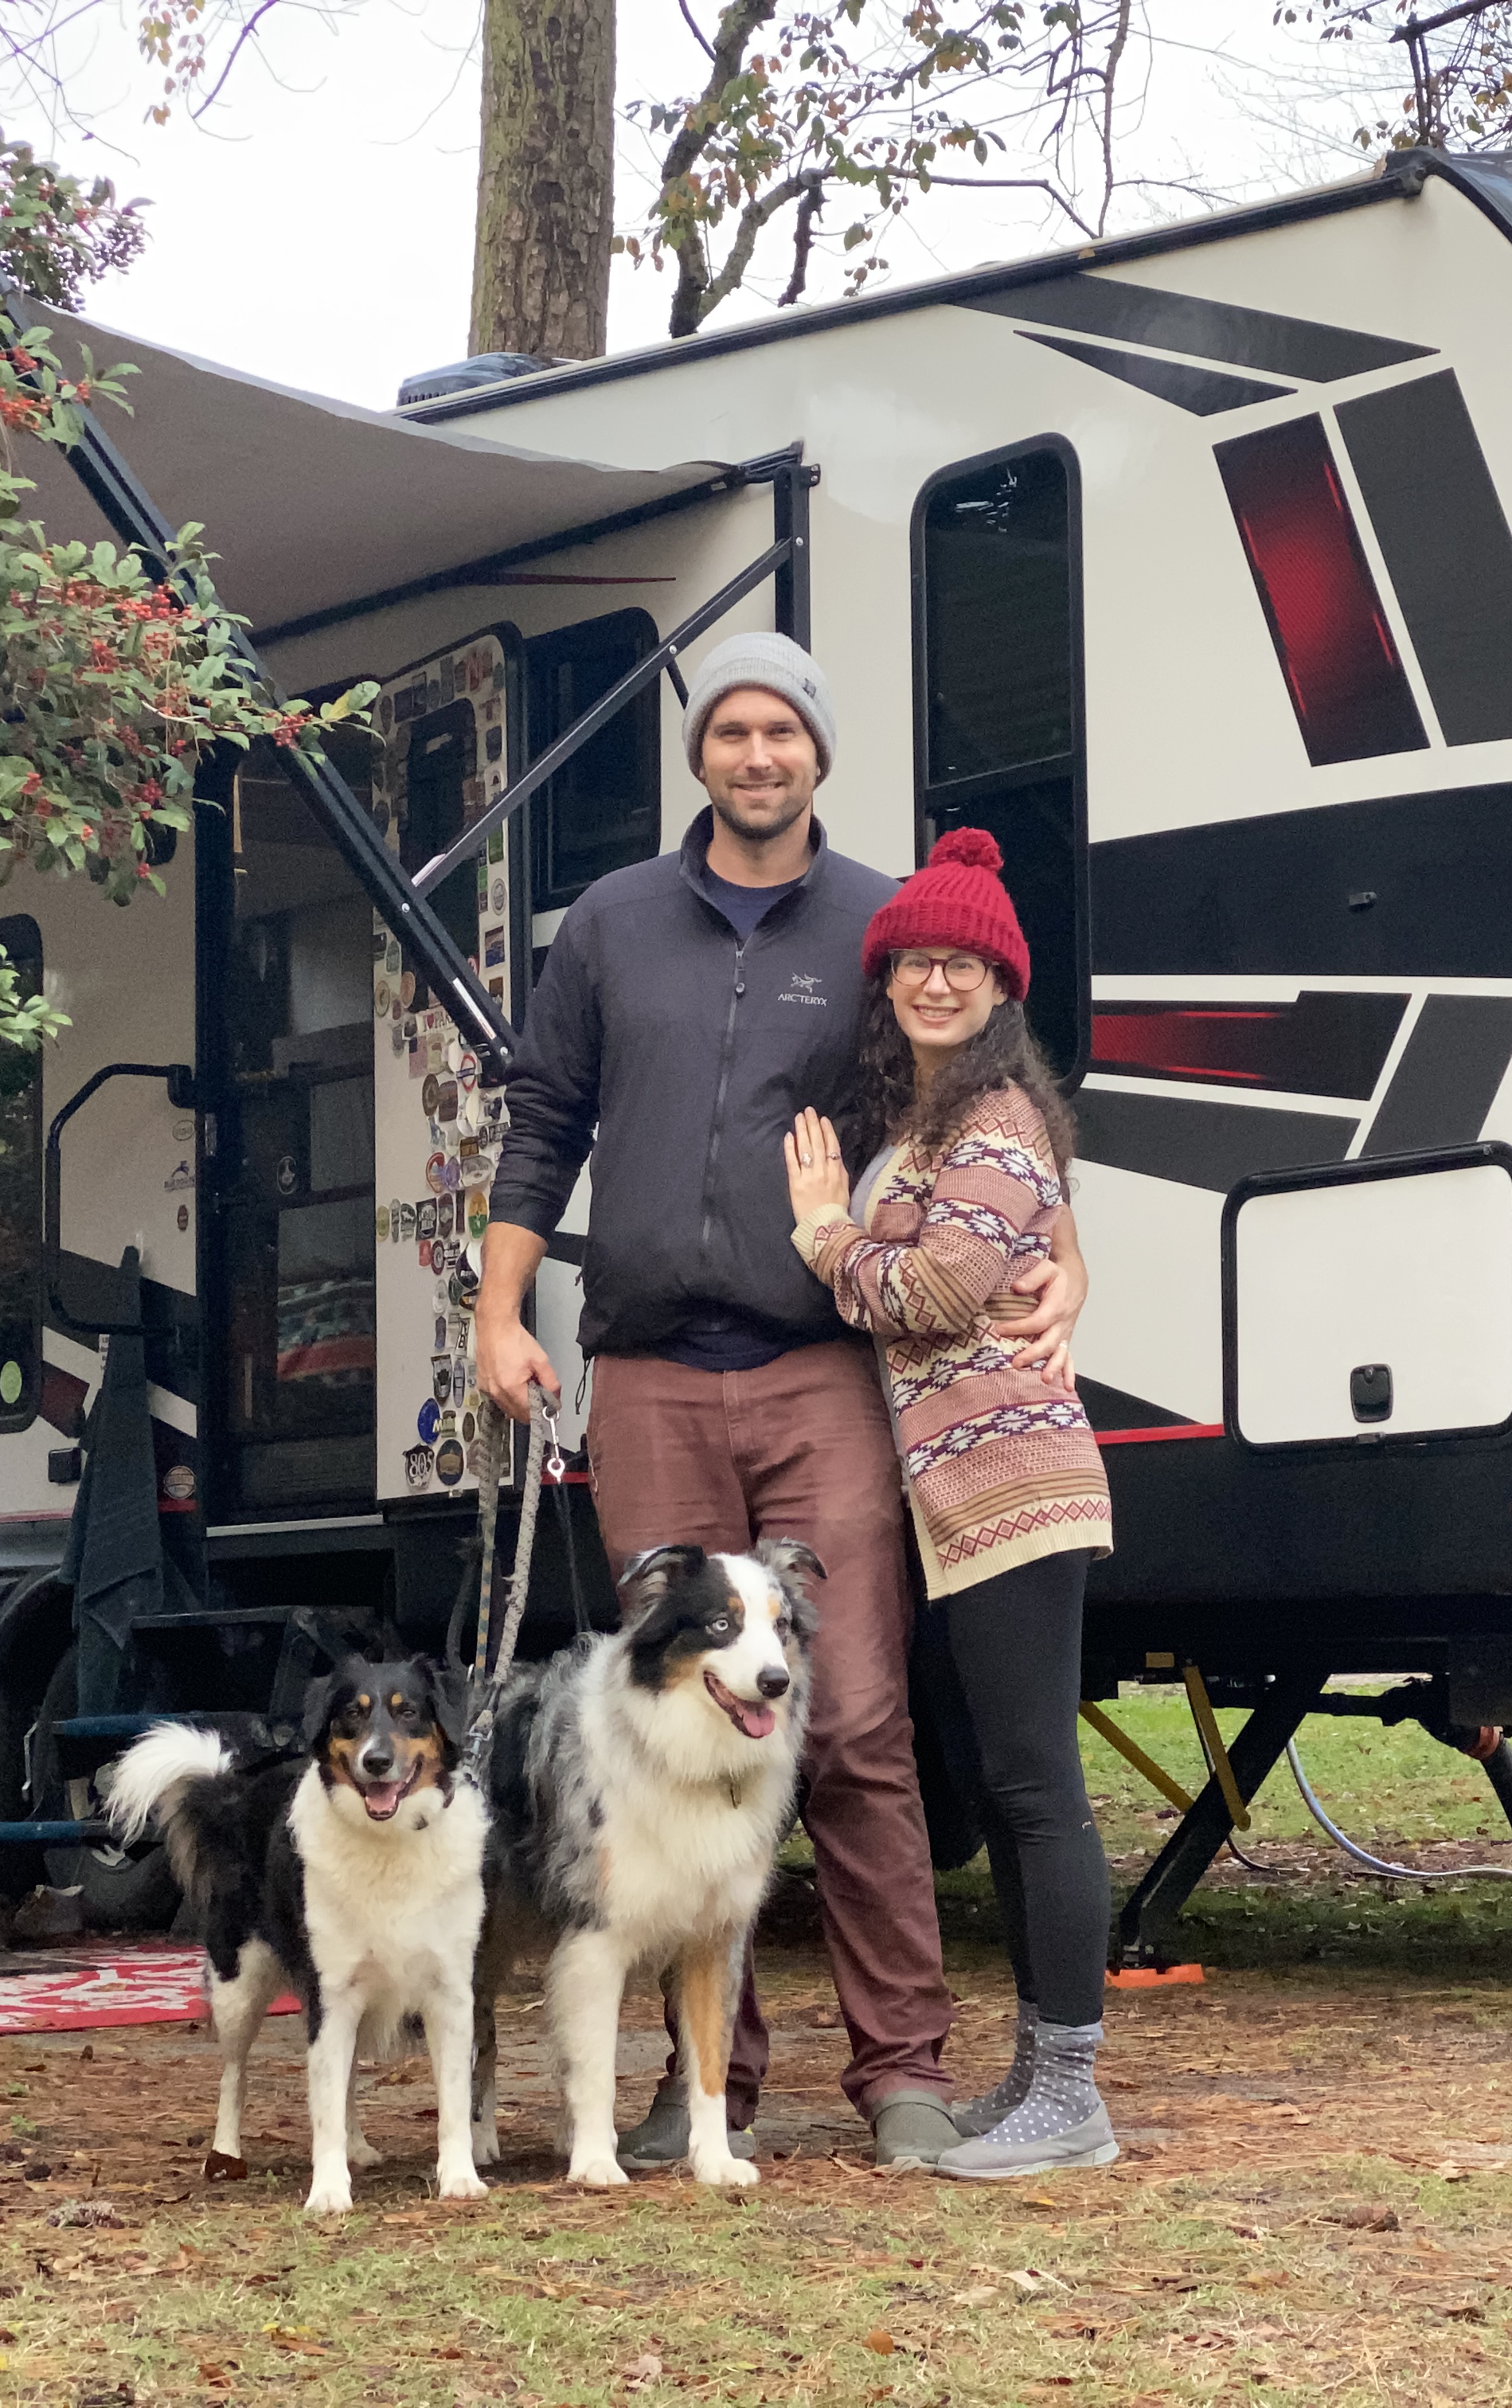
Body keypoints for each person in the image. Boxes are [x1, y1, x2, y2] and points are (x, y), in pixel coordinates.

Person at [475, 631, 1085, 2170]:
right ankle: (710, 2089)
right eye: (733, 732)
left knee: (859, 1722)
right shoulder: (611, 924)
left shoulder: (885, 919)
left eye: (785, 734)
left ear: (820, 753)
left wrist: (1062, 1245)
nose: (760, 756)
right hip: (651, 1378)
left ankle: (901, 2075)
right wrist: (497, 1307)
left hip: (823, 1372)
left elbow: (983, 1084)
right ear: (702, 756)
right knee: (664, 1740)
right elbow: (544, 1116)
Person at [783, 827, 1119, 2179]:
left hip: (1014, 1485)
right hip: (963, 1491)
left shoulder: (993, 1118)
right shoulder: (933, 1120)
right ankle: (1037, 2078)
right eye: (916, 961)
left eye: (963, 965)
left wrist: (822, 1229)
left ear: (1001, 989)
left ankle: (1073, 2095)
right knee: (1007, 1774)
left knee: (1040, 1789)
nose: (935, 983)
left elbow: (929, 1295)